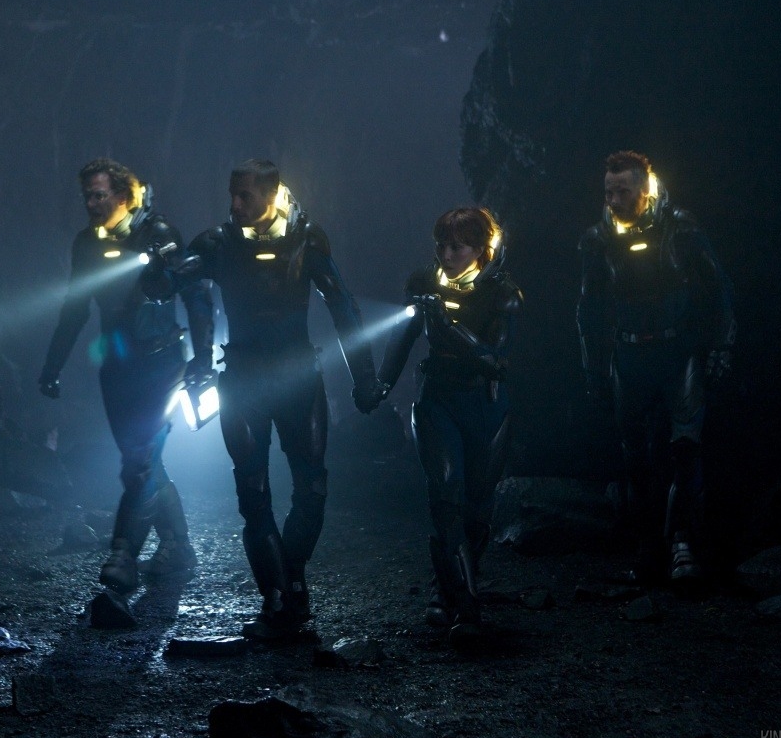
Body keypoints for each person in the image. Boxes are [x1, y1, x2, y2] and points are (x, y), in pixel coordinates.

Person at [145, 159, 376, 640]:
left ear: (272, 194)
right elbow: (166, 286)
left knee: (312, 489)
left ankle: (289, 580)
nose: (234, 204)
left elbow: (343, 305)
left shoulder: (307, 240)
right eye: (231, 194)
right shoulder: (218, 243)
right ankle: (277, 599)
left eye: (244, 195)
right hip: (244, 382)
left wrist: (365, 378)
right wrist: (157, 264)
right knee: (253, 495)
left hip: (298, 378)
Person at [38, 158, 214, 621]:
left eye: (99, 195)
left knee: (139, 463)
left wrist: (202, 360)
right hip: (117, 368)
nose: (91, 203)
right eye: (87, 196)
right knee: (142, 461)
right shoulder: (87, 244)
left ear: (123, 194)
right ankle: (177, 546)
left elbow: (196, 294)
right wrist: (52, 366)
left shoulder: (157, 234)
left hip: (161, 364)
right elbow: (75, 308)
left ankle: (122, 560)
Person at [357, 207, 522, 645]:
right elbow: (403, 336)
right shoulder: (424, 284)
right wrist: (381, 385)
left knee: (478, 509)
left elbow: (495, 361)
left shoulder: (502, 294)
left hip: (485, 405)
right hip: (438, 401)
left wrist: (447, 326)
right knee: (446, 498)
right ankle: (466, 606)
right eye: (441, 246)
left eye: (457, 247)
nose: (446, 255)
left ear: (480, 249)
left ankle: (448, 588)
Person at [576, 150, 735, 584]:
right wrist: (594, 369)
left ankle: (683, 542)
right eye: (609, 192)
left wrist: (721, 346)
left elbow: (718, 289)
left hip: (677, 352)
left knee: (685, 449)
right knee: (636, 458)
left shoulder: (680, 228)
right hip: (629, 357)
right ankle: (648, 546)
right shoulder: (598, 240)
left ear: (644, 191)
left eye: (622, 191)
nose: (614, 200)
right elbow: (588, 309)